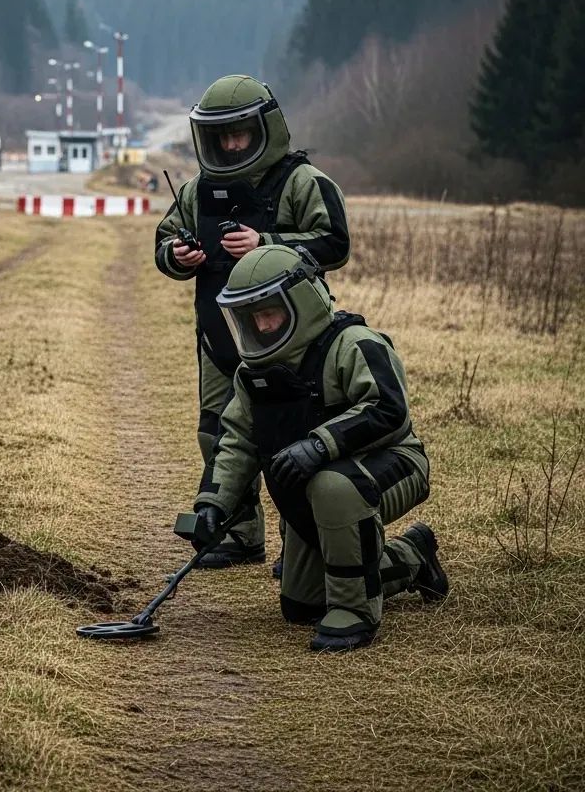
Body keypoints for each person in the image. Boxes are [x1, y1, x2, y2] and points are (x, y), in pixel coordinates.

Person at [192, 245, 448, 652]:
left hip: (395, 464)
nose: (261, 324)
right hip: (315, 487)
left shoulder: (354, 344)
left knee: (333, 487)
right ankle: (413, 556)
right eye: (250, 317)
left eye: (269, 312)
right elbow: (237, 439)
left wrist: (318, 445)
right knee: (301, 605)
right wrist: (214, 505)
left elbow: (388, 411)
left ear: (300, 301)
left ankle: (357, 614)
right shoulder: (252, 373)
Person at [155, 75, 349, 568]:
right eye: (221, 136)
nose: (231, 144)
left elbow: (334, 244)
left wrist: (268, 243)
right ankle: (239, 534)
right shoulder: (197, 190)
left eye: (239, 133)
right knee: (216, 431)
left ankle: (303, 545)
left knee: (293, 435)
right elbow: (164, 241)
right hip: (217, 334)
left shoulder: (303, 182)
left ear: (265, 128)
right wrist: (179, 256)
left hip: (292, 338)